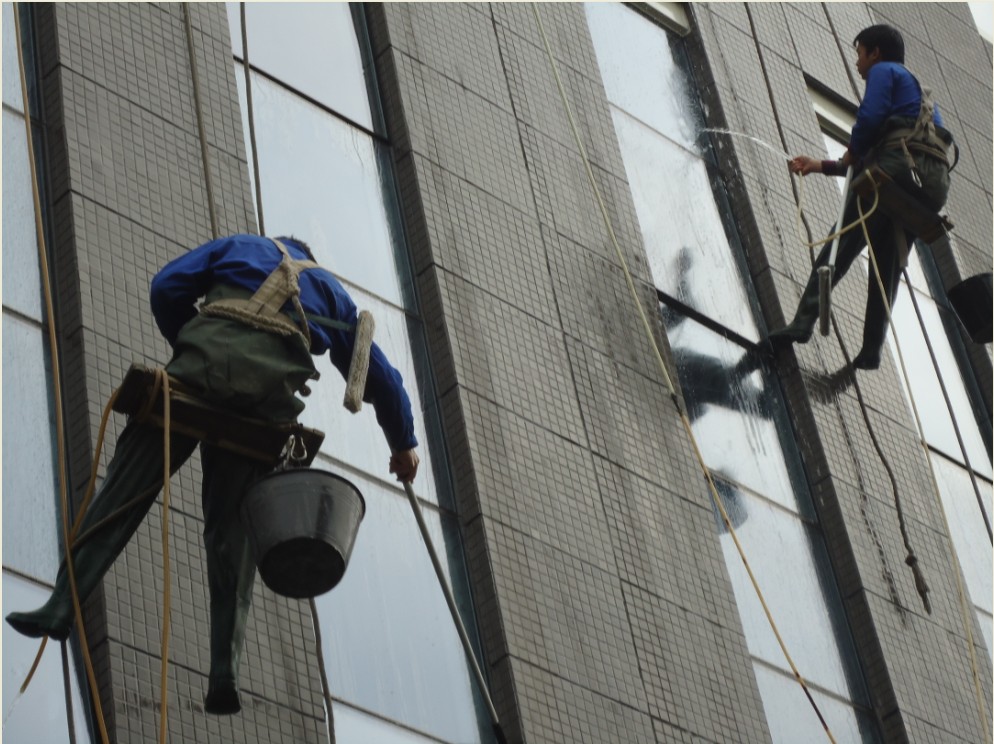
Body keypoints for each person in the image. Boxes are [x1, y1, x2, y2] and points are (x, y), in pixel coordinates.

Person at [6, 234, 421, 715]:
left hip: (199, 373)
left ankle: (62, 603)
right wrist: (403, 443)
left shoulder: (242, 246)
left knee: (126, 487)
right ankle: (224, 670)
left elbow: (166, 286)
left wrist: (190, 345)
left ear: (276, 243)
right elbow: (379, 375)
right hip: (264, 405)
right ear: (310, 257)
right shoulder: (327, 288)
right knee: (232, 531)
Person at [768, 24, 954, 369]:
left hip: (895, 174)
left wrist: (850, 153)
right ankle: (872, 349)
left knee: (839, 244)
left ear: (875, 53)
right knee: (886, 269)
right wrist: (819, 165)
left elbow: (867, 122)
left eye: (859, 54)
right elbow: (863, 160)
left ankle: (802, 323)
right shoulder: (921, 102)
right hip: (928, 190)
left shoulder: (886, 72)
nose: (857, 64)